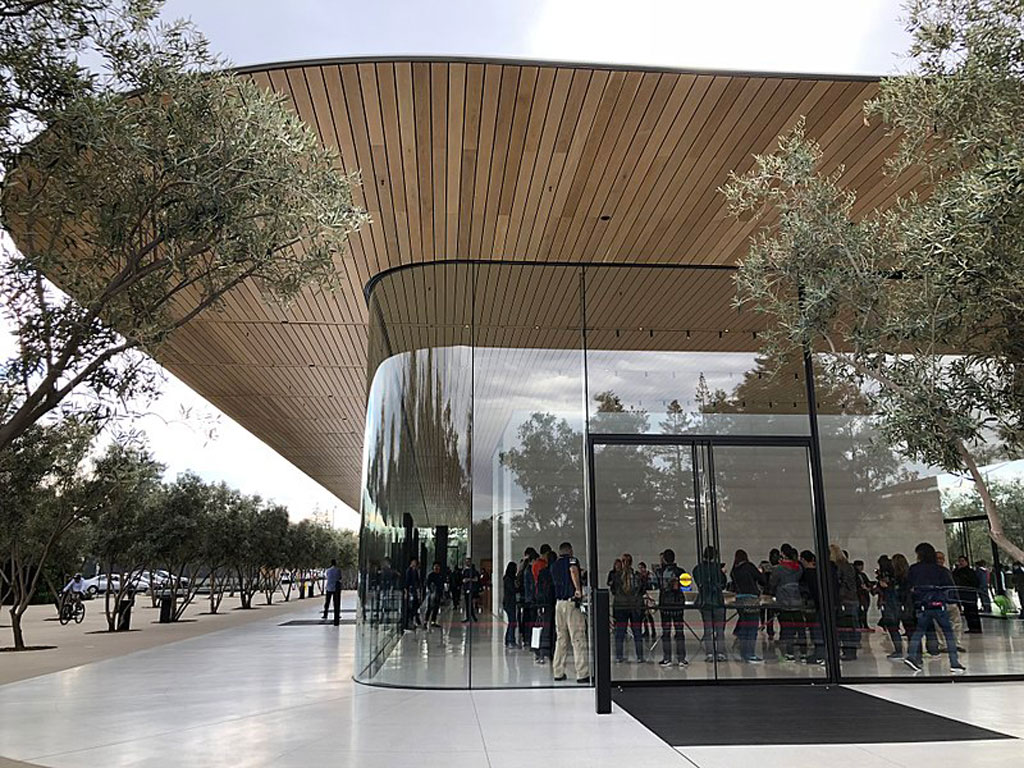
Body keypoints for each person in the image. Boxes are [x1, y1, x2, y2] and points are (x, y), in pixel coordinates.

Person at [904, 542, 966, 674]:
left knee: (919, 631)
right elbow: (950, 588)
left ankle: (911, 655)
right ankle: (954, 662)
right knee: (948, 633)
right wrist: (955, 602)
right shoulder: (941, 570)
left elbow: (908, 586)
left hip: (922, 605)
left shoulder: (914, 569)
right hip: (938, 605)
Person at [551, 542, 591, 684]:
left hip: (559, 604)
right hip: (571, 603)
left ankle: (558, 671)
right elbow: (573, 571)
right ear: (570, 551)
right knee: (578, 638)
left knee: (561, 639)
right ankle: (582, 673)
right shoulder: (572, 560)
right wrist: (578, 589)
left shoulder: (554, 565)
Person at [771, 544, 805, 661]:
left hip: (784, 601)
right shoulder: (799, 568)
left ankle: (789, 652)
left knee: (787, 628)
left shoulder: (779, 569)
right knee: (800, 628)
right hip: (797, 601)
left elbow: (772, 583)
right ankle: (803, 651)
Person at [693, 546, 727, 662]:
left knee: (707, 629)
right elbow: (723, 584)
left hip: (705, 601)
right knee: (720, 629)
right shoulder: (717, 569)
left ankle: (709, 653)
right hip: (717, 601)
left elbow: (699, 583)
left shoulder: (698, 569)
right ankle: (721, 653)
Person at [610, 553, 645, 663]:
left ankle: (619, 656)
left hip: (621, 607)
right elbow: (642, 590)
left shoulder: (616, 576)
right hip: (634, 607)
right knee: (637, 632)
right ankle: (640, 656)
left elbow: (613, 590)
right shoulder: (637, 576)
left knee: (620, 632)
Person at [730, 549, 764, 663]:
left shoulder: (733, 570)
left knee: (744, 626)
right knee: (752, 627)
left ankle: (743, 653)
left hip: (739, 599)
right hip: (751, 599)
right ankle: (750, 654)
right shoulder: (749, 566)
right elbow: (761, 579)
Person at [657, 549, 688, 667]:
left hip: (665, 605)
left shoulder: (660, 572)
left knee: (666, 632)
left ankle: (667, 658)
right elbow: (687, 587)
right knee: (679, 631)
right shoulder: (681, 571)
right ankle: (681, 658)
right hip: (678, 604)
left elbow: (656, 585)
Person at [829, 544, 860, 661]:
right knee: (851, 626)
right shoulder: (850, 567)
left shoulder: (837, 567)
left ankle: (848, 651)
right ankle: (852, 650)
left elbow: (838, 583)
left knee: (844, 627)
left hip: (843, 599)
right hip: (853, 598)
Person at [798, 551, 825, 665]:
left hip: (811, 604)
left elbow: (806, 589)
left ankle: (819, 653)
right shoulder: (819, 572)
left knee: (815, 630)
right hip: (820, 604)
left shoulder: (806, 574)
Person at [935, 551, 965, 652]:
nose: (940, 561)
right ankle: (948, 644)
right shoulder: (944, 572)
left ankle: (949, 644)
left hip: (946, 601)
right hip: (943, 601)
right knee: (947, 624)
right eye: (938, 558)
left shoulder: (944, 572)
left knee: (952, 624)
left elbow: (953, 587)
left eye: (941, 558)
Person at [875, 555, 904, 659]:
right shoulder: (898, 576)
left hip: (890, 604)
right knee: (894, 628)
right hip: (896, 604)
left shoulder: (889, 578)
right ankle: (899, 650)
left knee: (893, 628)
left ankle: (899, 650)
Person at [953, 555, 983, 633]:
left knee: (973, 611)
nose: (961, 563)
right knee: (967, 612)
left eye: (962, 561)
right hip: (962, 595)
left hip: (970, 594)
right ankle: (971, 627)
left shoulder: (970, 572)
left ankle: (976, 628)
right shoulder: (957, 572)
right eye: (960, 561)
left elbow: (975, 582)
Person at [502, 561, 518, 648]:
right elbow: (512, 590)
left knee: (511, 622)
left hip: (509, 602)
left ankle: (508, 640)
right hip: (509, 603)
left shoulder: (508, 578)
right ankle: (511, 640)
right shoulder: (509, 579)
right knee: (512, 622)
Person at [424, 561, 445, 628]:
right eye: (435, 567)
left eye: (438, 567)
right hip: (432, 594)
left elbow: (442, 585)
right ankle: (425, 621)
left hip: (438, 594)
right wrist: (430, 591)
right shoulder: (430, 575)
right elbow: (428, 584)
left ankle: (433, 621)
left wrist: (442, 594)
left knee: (436, 608)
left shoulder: (440, 575)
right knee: (429, 608)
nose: (437, 568)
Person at [404, 558, 422, 630]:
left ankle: (414, 620)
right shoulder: (409, 571)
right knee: (411, 607)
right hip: (410, 591)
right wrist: (406, 591)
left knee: (414, 606)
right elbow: (407, 582)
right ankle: (410, 622)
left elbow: (417, 582)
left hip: (413, 591)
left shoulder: (415, 571)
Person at [854, 559, 873, 630]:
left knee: (865, 609)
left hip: (865, 595)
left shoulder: (863, 575)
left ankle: (865, 624)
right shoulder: (855, 575)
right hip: (859, 594)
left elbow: (867, 582)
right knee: (860, 610)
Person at [322, 558, 341, 625]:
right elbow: (339, 577)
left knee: (327, 602)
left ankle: (325, 614)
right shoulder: (338, 570)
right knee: (336, 603)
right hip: (335, 588)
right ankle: (337, 615)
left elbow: (327, 576)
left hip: (329, 587)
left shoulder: (328, 570)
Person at [460, 557, 479, 622]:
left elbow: (476, 579)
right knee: (468, 603)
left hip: (471, 589)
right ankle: (470, 616)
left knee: (470, 603)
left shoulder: (474, 571)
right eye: (466, 562)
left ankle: (472, 616)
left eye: (468, 562)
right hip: (466, 589)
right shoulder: (465, 571)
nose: (467, 563)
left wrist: (468, 580)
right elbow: (462, 579)